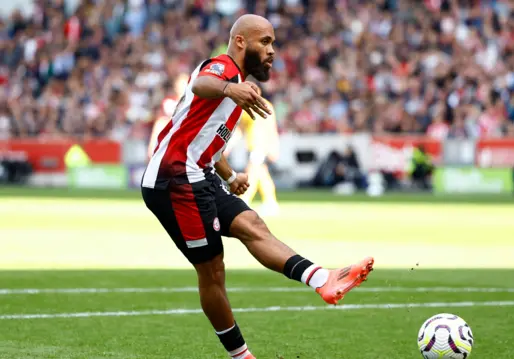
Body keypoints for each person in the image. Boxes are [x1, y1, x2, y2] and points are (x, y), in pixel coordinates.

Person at [141, 15, 374, 359]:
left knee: (253, 224)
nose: (271, 51)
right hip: (172, 179)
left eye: (273, 43)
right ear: (240, 42)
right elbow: (201, 83)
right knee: (212, 271)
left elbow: (206, 141)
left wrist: (231, 175)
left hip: (199, 173)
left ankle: (321, 280)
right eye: (264, 42)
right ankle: (242, 356)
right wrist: (229, 88)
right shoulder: (221, 68)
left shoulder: (239, 92)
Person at [234, 85, 281, 216]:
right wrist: (274, 145)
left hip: (257, 145)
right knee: (261, 173)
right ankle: (270, 202)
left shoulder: (249, 105)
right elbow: (273, 128)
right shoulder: (268, 105)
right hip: (260, 145)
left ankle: (244, 201)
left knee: (252, 171)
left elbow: (239, 128)